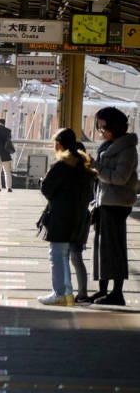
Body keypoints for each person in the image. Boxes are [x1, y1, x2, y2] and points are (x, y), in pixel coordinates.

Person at [37, 128, 94, 306]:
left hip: (61, 216)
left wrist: (57, 198)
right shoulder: (84, 165)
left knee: (57, 255)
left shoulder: (62, 165)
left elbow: (46, 188)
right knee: (65, 255)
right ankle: (68, 294)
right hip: (79, 217)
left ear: (59, 144)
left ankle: (59, 293)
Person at [88, 106, 138, 306]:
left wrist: (96, 166)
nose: (100, 131)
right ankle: (102, 290)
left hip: (116, 203)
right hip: (104, 201)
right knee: (101, 248)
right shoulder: (108, 145)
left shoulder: (127, 149)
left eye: (102, 127)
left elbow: (119, 178)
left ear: (114, 126)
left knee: (114, 249)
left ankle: (117, 293)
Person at [70, 141, 97, 304]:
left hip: (71, 217)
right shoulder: (89, 173)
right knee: (76, 256)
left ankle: (66, 291)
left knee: (65, 255)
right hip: (83, 216)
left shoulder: (70, 172)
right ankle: (82, 291)